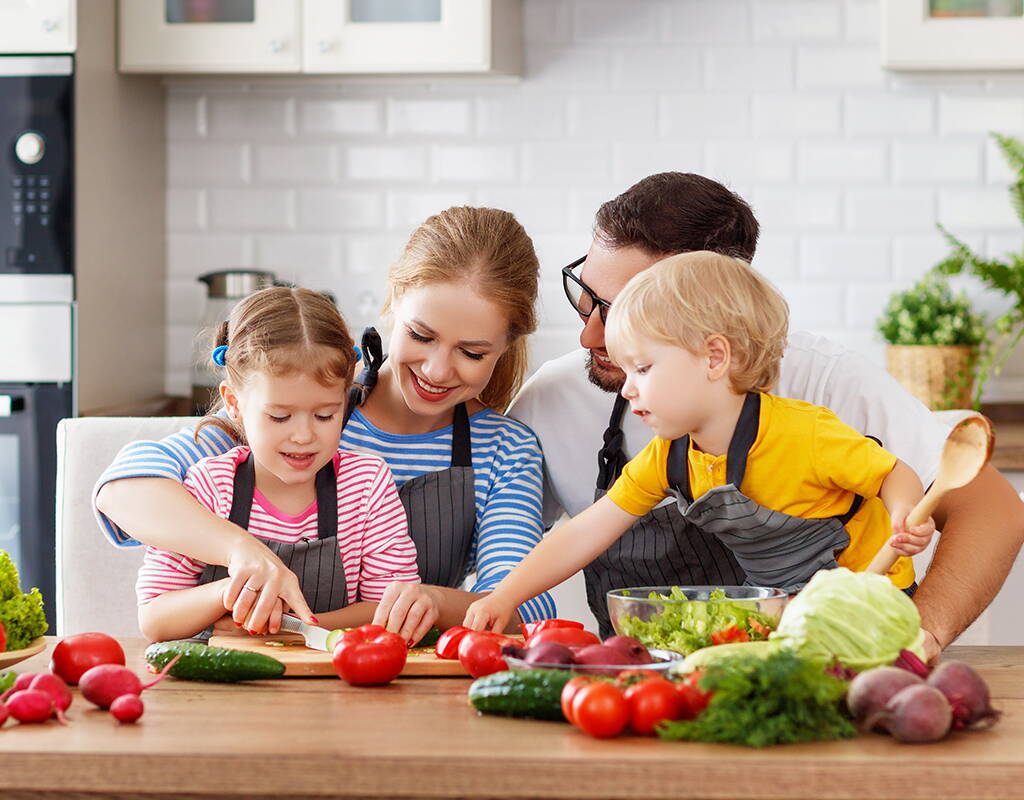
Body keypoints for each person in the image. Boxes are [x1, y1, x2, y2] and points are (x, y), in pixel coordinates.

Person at [507, 172, 1024, 657]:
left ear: (715, 337)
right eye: (585, 295)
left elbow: (991, 509)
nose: (589, 336)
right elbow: (512, 552)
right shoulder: (555, 397)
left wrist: (923, 635)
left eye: (624, 314)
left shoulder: (820, 382)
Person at [95, 207, 555, 643]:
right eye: (421, 335)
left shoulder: (503, 448)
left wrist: (428, 600)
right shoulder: (308, 403)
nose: (436, 370)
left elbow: (521, 609)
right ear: (392, 301)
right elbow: (123, 490)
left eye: (472, 352)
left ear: (506, 345)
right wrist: (243, 551)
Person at [465, 252, 937, 631]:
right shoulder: (669, 455)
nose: (628, 389)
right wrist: (504, 596)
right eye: (627, 372)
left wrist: (903, 514)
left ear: (714, 357)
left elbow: (892, 472)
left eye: (643, 369)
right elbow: (587, 531)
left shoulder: (806, 433)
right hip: (787, 610)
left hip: (871, 601)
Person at [137, 287, 419, 641]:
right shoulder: (211, 486)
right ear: (234, 403)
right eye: (280, 416)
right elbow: (155, 618)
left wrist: (282, 629)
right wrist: (224, 594)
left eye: (324, 415)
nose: (303, 436)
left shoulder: (365, 486)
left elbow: (390, 607)